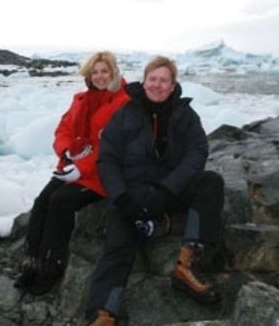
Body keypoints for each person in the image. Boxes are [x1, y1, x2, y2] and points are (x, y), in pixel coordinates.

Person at [85, 56, 224, 326]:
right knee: (117, 248)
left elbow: (197, 153)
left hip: (170, 192)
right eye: (153, 79)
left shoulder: (185, 115)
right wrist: (122, 198)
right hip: (132, 195)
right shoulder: (125, 113)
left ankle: (186, 266)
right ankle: (103, 314)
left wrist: (168, 191)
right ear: (144, 80)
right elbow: (107, 159)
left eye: (163, 81)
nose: (157, 85)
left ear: (172, 86)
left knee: (210, 182)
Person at [15, 51, 130, 295]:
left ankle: (50, 267)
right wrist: (66, 152)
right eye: (95, 72)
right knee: (42, 201)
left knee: (61, 202)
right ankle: (30, 264)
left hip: (102, 173)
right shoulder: (80, 99)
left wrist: (82, 167)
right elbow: (63, 129)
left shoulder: (123, 102)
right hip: (73, 166)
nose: (99, 76)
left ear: (113, 73)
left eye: (104, 71)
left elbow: (112, 144)